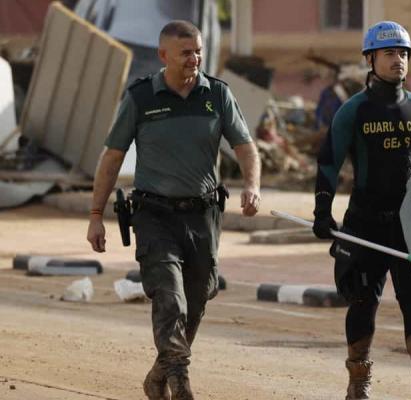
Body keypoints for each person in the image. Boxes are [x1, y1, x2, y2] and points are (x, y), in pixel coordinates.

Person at [86, 20, 261, 400]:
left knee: (196, 303)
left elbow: (245, 147)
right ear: (164, 55)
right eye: (186, 52)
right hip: (154, 215)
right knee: (170, 297)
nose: (194, 58)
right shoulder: (140, 98)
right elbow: (112, 157)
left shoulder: (217, 94)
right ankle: (180, 383)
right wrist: (96, 215)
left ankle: (158, 375)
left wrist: (252, 185)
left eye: (198, 50)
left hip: (203, 217)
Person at [312, 21, 411, 400]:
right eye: (390, 53)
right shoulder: (353, 111)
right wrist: (322, 209)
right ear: (370, 59)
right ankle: (359, 384)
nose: (398, 60)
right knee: (363, 303)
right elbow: (328, 161)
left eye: (404, 53)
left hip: (408, 225)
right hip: (363, 224)